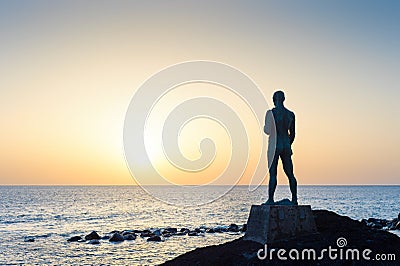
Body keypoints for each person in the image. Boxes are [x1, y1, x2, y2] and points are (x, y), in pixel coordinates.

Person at [264, 91, 298, 205]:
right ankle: (294, 200)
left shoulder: (271, 113)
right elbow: (292, 134)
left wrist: (265, 127)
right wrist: (288, 144)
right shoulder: (290, 114)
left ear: (274, 99)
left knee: (273, 173)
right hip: (286, 145)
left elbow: (267, 131)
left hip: (274, 145)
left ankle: (270, 199)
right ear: (283, 99)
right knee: (290, 174)